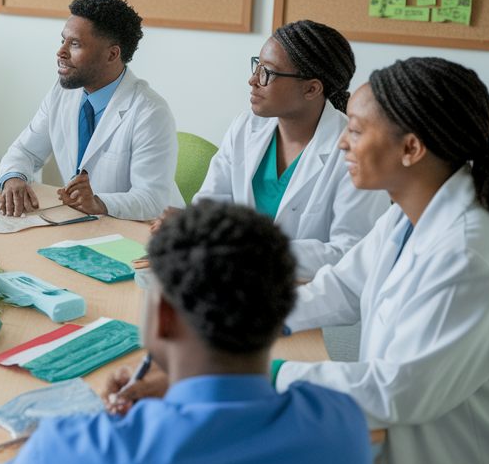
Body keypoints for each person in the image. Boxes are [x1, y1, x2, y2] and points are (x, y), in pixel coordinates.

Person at [273, 58, 489, 464]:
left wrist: (264, 375)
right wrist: (248, 323)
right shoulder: (406, 213)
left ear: (410, 149)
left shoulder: (466, 255)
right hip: (403, 454)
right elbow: (343, 289)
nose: (341, 143)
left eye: (356, 130)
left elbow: (396, 390)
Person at [0, 201, 375, 464]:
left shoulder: (71, 454)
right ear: (281, 312)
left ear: (163, 314)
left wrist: (83, 440)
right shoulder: (340, 423)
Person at [158, 20, 389, 278]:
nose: (253, 80)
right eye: (257, 65)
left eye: (268, 72)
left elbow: (350, 251)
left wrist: (245, 250)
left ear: (311, 89)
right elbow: (212, 202)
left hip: (307, 295)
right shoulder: (246, 126)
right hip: (229, 279)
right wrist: (193, 225)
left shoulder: (354, 152)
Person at [0, 0, 181, 221]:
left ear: (112, 54)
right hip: (87, 224)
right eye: (62, 40)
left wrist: (98, 202)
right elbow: (25, 151)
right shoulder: (62, 93)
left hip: (144, 231)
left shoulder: (150, 112)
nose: (61, 52)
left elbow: (152, 200)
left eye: (75, 44)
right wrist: (14, 178)